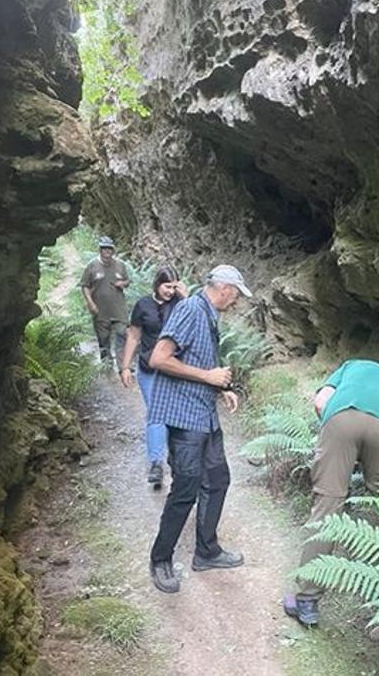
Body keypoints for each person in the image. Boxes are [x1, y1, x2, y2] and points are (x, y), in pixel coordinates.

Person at [284, 359, 379, 628]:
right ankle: (372, 590)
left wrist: (333, 435)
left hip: (341, 418)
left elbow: (320, 402)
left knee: (328, 503)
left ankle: (307, 601)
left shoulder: (350, 366)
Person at [146, 264, 253, 594]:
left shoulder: (207, 313)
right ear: (225, 289)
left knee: (218, 478)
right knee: (186, 488)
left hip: (204, 413)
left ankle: (207, 551)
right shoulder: (191, 309)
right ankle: (161, 559)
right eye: (236, 295)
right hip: (185, 416)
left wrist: (221, 387)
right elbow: (158, 358)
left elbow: (199, 359)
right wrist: (209, 378)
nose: (235, 301)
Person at [120, 266, 188, 489]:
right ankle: (156, 464)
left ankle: (176, 459)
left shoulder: (180, 304)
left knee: (175, 415)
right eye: (167, 286)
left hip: (174, 367)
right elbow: (134, 335)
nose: (170, 291)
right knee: (157, 413)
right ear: (157, 285)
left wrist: (185, 297)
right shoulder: (143, 305)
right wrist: (125, 366)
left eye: (173, 286)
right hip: (149, 369)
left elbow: (196, 323)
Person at [79, 236, 130, 369]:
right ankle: (107, 366)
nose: (107, 251)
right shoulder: (92, 266)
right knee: (103, 339)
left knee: (122, 334)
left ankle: (123, 365)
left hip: (119, 309)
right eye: (104, 249)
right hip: (100, 310)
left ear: (113, 250)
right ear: (100, 250)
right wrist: (90, 303)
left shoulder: (120, 265)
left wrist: (123, 283)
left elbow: (127, 281)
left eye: (109, 249)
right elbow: (84, 285)